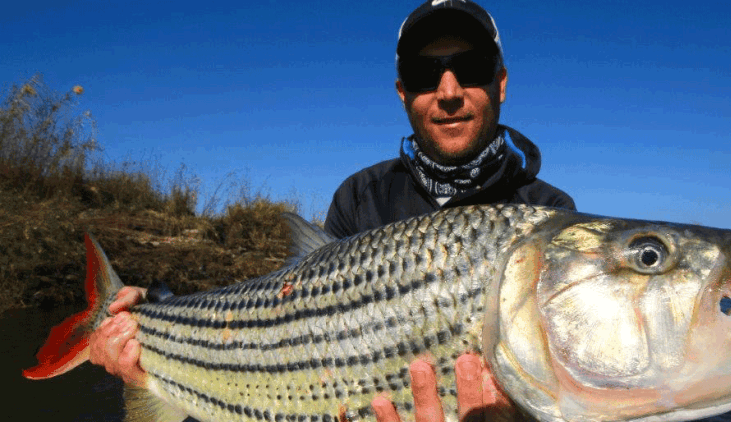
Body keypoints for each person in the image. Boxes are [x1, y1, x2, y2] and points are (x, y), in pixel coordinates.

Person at [89, 1, 576, 421]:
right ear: (403, 91)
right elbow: (283, 323)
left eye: (470, 67)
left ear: (501, 82)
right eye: (426, 74)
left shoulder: (551, 215)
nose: (448, 91)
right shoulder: (360, 195)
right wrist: (152, 323)